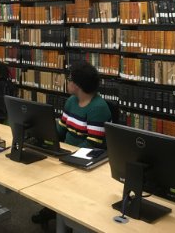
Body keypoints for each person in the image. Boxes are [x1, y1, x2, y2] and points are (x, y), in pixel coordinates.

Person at [32, 62, 114, 227]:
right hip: (67, 154)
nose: (67, 82)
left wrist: (68, 155)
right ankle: (54, 208)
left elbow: (93, 144)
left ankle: (66, 217)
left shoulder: (98, 108)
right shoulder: (71, 101)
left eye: (69, 79)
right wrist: (44, 134)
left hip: (86, 159)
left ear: (77, 85)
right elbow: (61, 130)